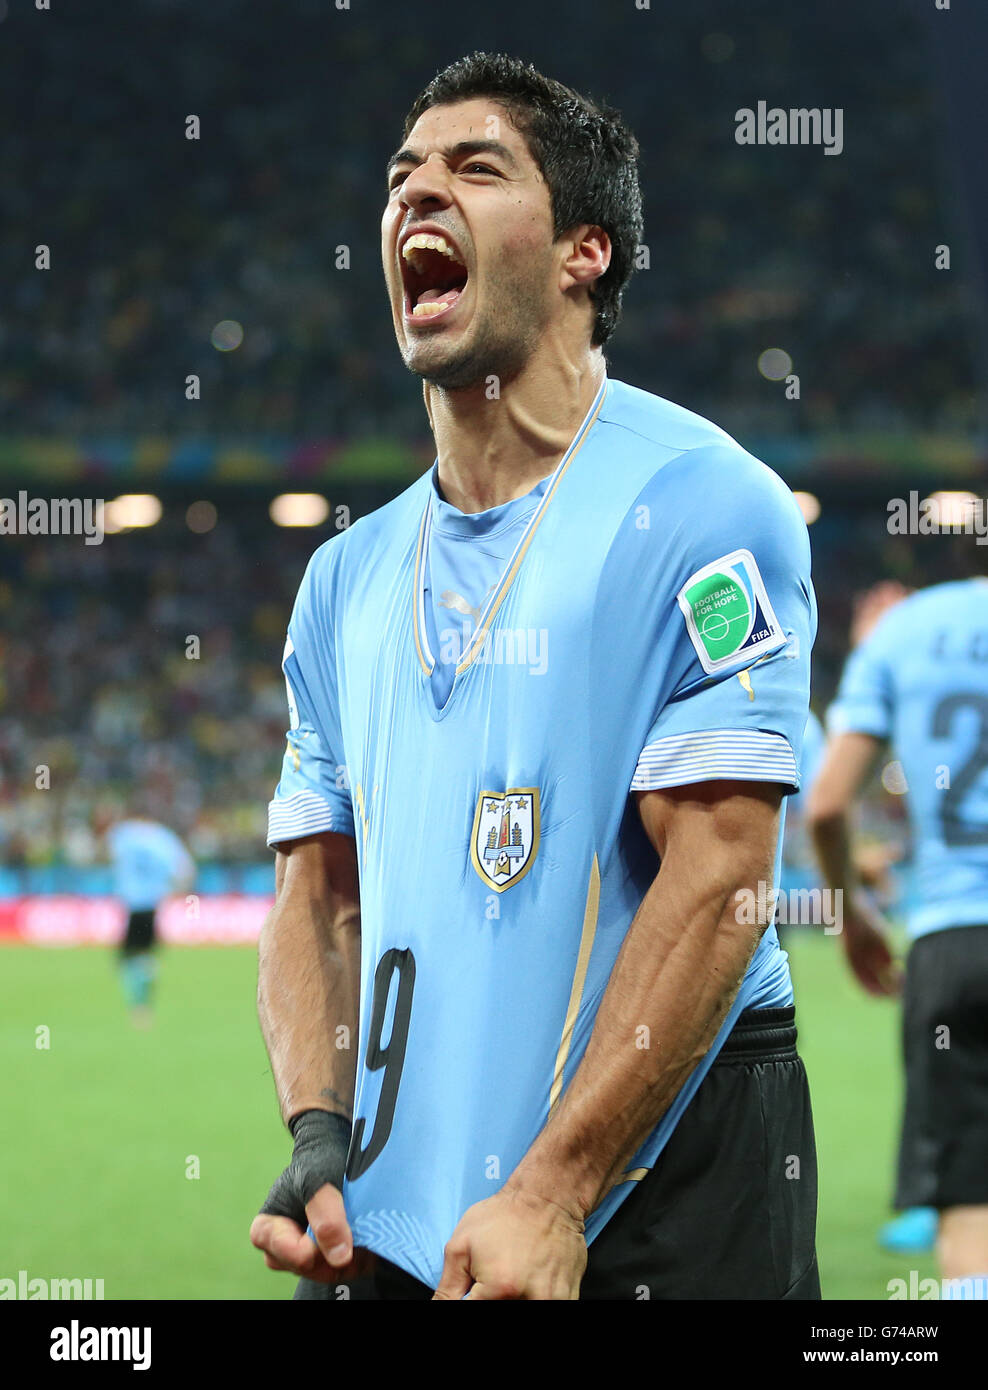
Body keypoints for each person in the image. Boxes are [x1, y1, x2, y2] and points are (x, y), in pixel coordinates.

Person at [250, 52, 819, 1301]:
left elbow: (723, 871)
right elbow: (316, 895)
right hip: (389, 1203)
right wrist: (315, 1131)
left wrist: (556, 1191)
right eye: (401, 176)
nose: (416, 196)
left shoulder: (701, 504)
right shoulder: (343, 580)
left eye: (473, 168)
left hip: (654, 1176)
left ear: (584, 251)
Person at [808, 571, 988, 1294]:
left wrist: (853, 917)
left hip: (949, 945)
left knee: (971, 1216)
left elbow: (825, 808)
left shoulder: (901, 635)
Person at [106, 805, 195, 1028]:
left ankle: (139, 1005)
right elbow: (184, 869)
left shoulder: (122, 834)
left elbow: (109, 855)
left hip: (130, 902)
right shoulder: (162, 837)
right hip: (152, 903)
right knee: (144, 954)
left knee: (127, 958)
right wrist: (175, 889)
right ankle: (143, 998)